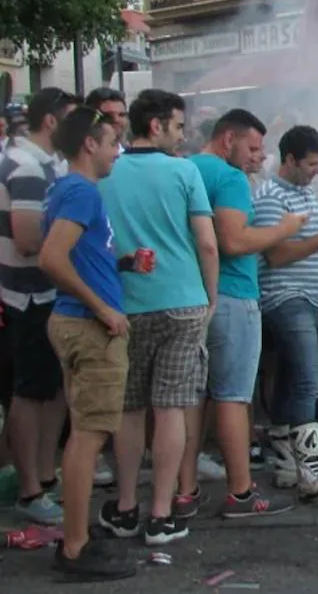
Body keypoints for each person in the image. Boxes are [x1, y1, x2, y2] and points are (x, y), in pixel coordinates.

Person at [97, 89, 217, 547]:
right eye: (178, 126)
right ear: (156, 126)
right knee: (171, 408)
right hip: (183, 301)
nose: (183, 135)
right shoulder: (184, 172)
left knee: (128, 409)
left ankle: (126, 506)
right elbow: (206, 243)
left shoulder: (106, 172)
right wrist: (210, 297)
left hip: (125, 305)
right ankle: (163, 514)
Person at [187, 109, 301, 518]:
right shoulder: (228, 177)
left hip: (193, 298)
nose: (258, 155)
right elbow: (233, 241)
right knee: (233, 397)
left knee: (190, 401)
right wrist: (286, 228)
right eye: (252, 147)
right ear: (227, 139)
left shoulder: (184, 169)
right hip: (232, 296)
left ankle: (184, 492)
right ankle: (241, 493)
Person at [40, 105, 138, 580]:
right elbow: (53, 258)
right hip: (88, 325)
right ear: (89, 145)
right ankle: (75, 547)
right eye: (112, 142)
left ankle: (75, 532)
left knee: (85, 432)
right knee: (88, 436)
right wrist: (102, 308)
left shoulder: (67, 189)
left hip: (74, 320)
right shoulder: (81, 192)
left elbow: (76, 256)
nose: (117, 151)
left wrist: (119, 268)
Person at [254, 125, 318, 497]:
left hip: (308, 296)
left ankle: (286, 465)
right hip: (285, 297)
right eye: (312, 163)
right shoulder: (270, 198)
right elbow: (277, 255)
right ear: (290, 160)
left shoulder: (306, 194)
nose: (317, 170)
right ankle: (310, 468)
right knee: (307, 381)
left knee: (290, 379)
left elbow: (315, 246)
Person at [0, 87, 77, 526]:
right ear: (51, 121)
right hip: (28, 296)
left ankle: (45, 479)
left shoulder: (42, 164)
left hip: (44, 294)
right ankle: (31, 488)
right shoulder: (27, 167)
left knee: (52, 390)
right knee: (30, 394)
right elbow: (29, 239)